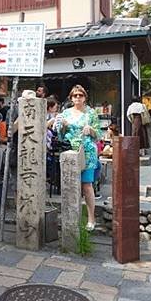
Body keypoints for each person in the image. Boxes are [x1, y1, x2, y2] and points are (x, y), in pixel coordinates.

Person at [54, 85, 101, 231]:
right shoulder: (65, 113)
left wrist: (91, 130)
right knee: (70, 185)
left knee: (87, 185)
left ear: (85, 97)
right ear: (71, 98)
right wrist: (63, 126)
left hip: (87, 153)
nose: (78, 98)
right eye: (75, 95)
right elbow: (59, 134)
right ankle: (71, 217)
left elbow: (99, 134)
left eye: (80, 95)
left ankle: (91, 218)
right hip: (69, 152)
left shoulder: (91, 113)